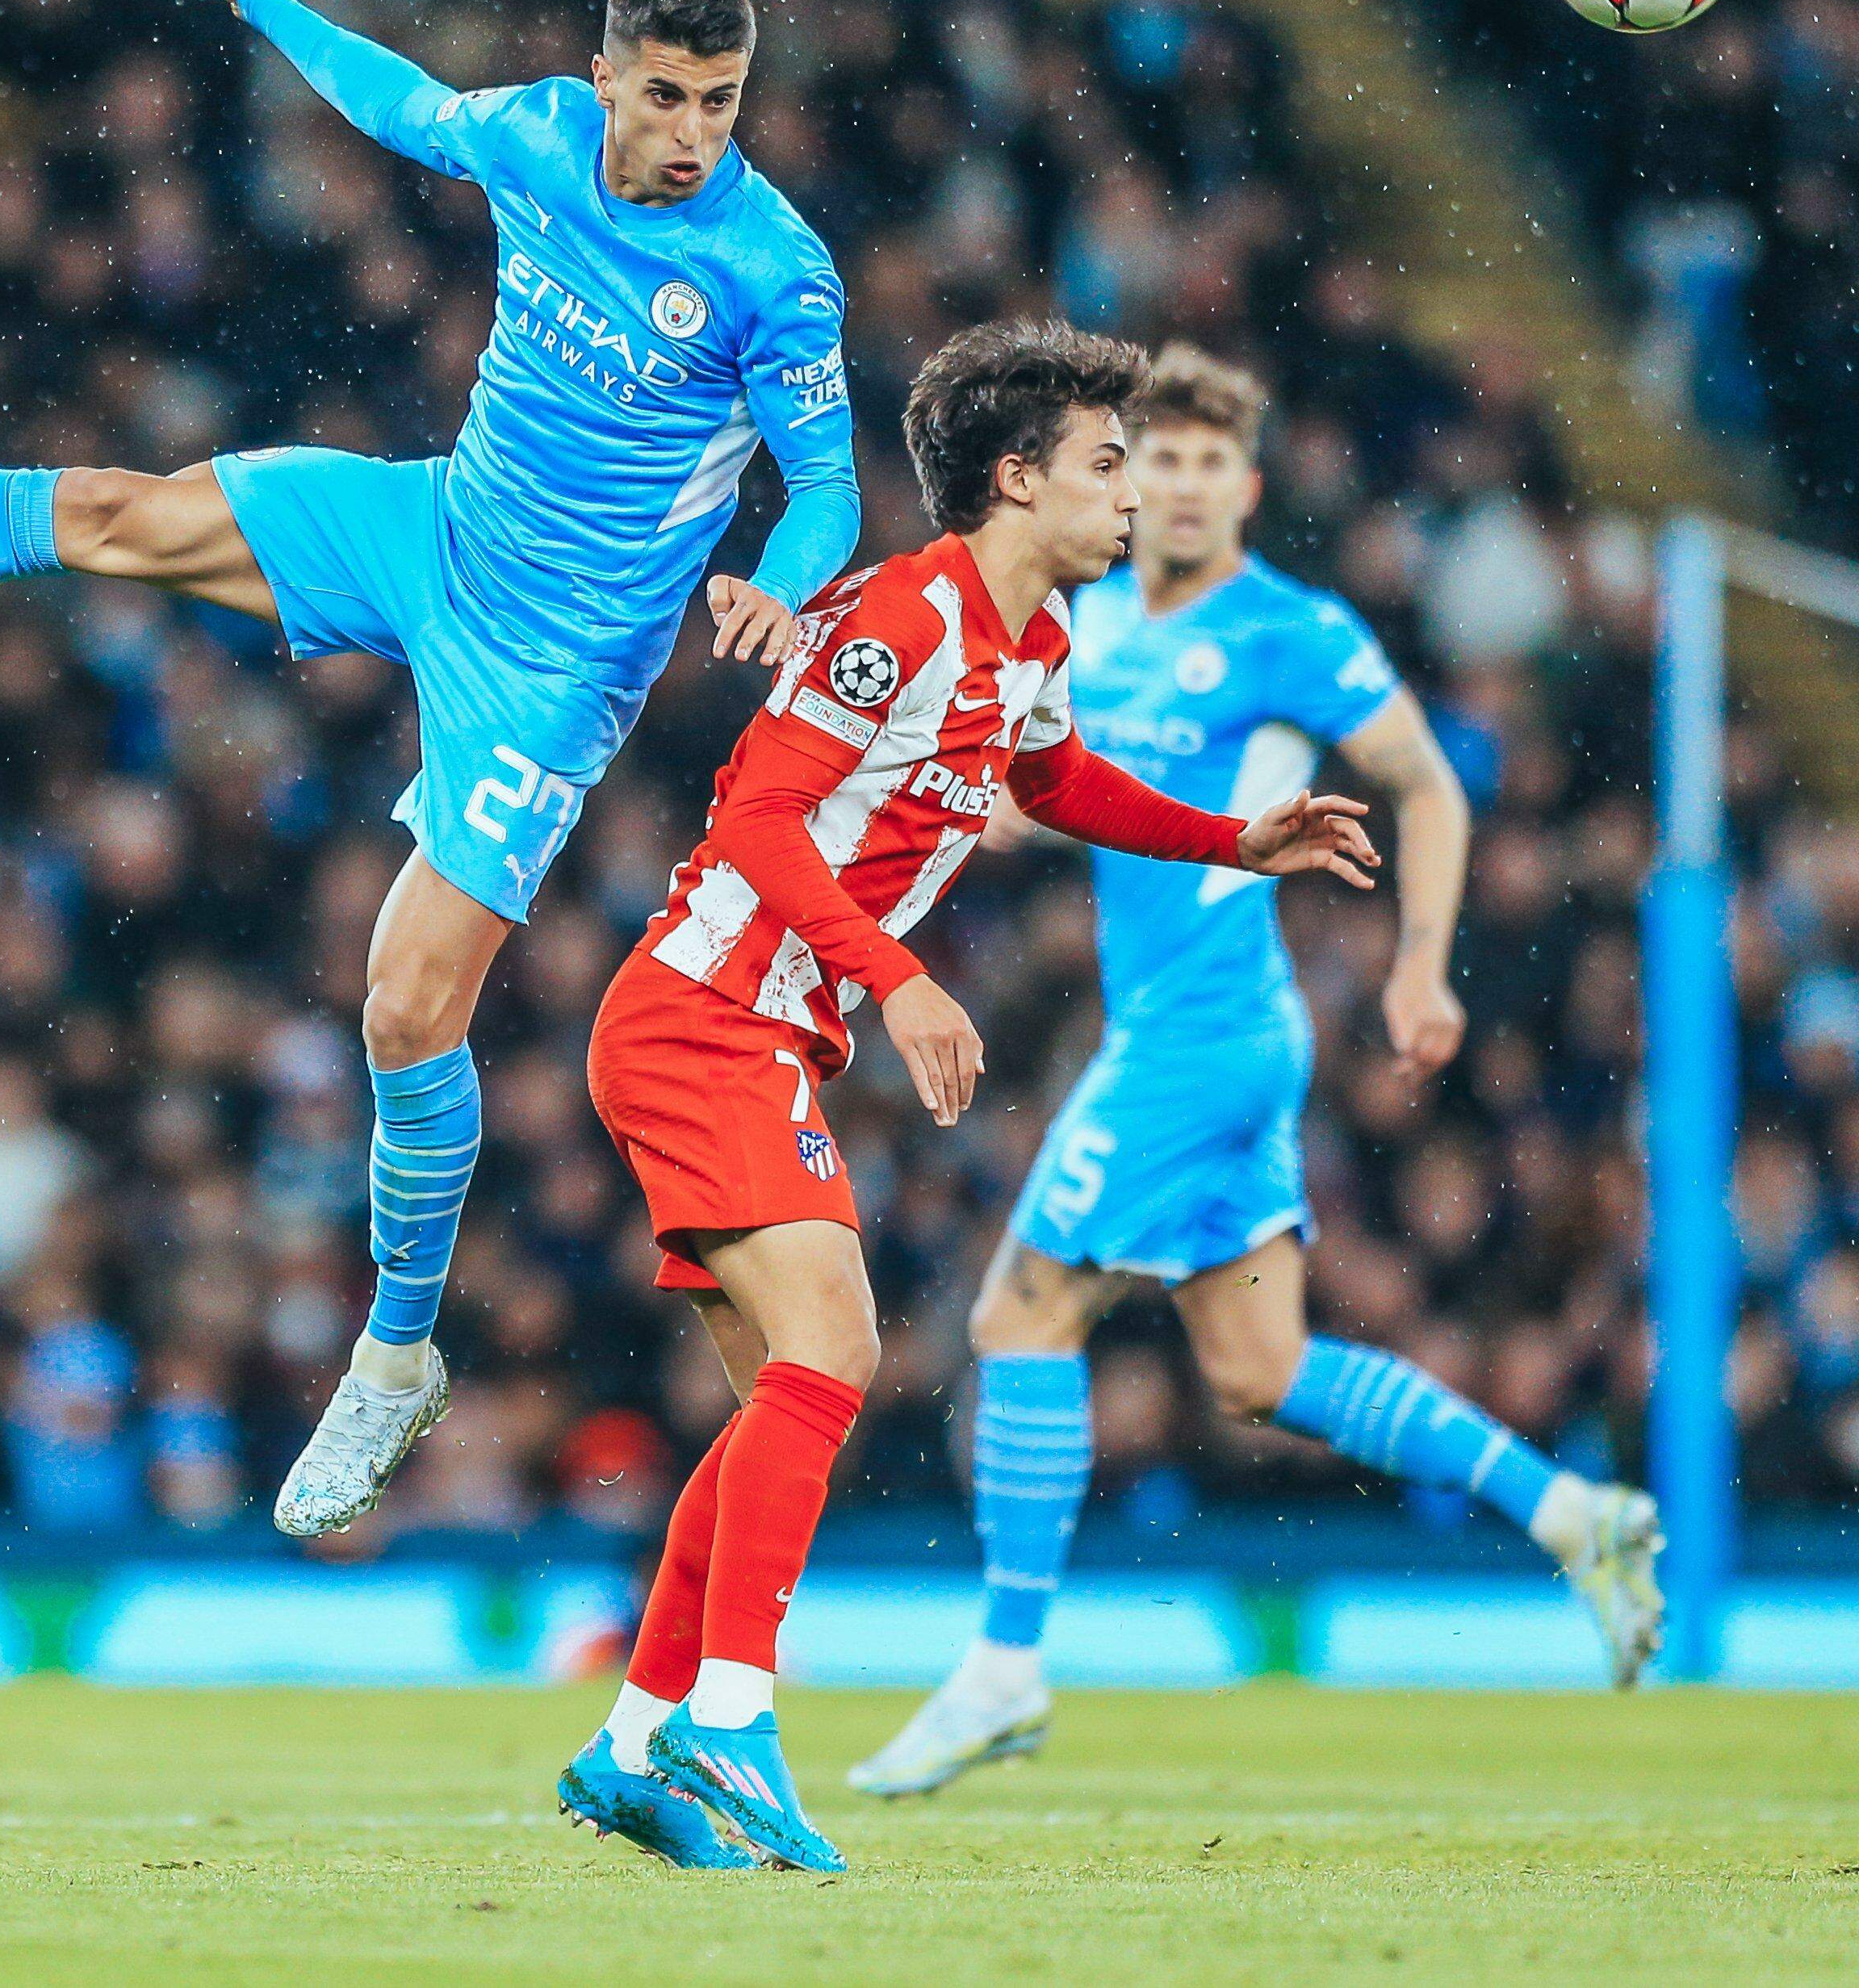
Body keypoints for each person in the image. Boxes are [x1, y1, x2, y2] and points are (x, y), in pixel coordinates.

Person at [0, 0, 859, 1537]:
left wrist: (778, 578)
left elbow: (822, 481)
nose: (690, 136)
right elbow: (403, 105)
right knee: (114, 510)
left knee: (404, 1012)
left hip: (553, 663)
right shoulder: (539, 129)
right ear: (605, 75)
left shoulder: (771, 267)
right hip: (437, 527)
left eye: (721, 105)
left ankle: (396, 1359)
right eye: (667, 96)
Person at [554, 318, 1377, 1871]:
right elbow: (759, 813)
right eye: (1106, 465)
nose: (1133, 496)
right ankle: (731, 1714)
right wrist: (898, 975)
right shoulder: (910, 614)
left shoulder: (1035, 646)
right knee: (840, 1345)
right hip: (702, 1013)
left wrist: (1231, 838)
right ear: (1017, 480)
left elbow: (1058, 782)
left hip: (756, 1029)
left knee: (771, 1413)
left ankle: (632, 1742)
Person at [851, 344, 1662, 1804]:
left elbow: (1424, 781)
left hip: (1203, 1035)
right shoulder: (1086, 631)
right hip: (1197, 1030)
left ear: (1247, 488)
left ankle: (1004, 1668)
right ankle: (1570, 1512)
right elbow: (1064, 798)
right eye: (1151, 457)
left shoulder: (1289, 630)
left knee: (1021, 1314)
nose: (1175, 482)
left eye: (1206, 461)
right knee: (1258, 1368)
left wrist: (1422, 963)